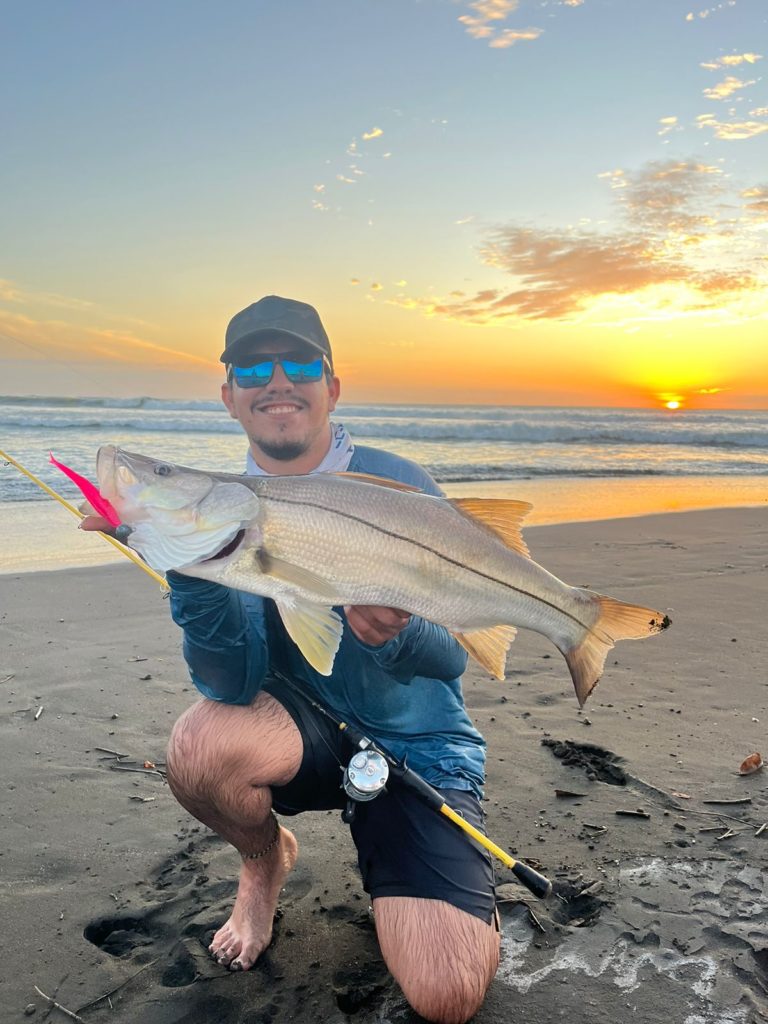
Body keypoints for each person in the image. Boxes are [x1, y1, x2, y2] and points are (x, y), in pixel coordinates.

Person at [85, 296, 500, 1024]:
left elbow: (455, 661)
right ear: (230, 398)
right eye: (253, 367)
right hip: (301, 735)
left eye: (301, 363)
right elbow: (227, 681)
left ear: (332, 386)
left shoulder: (397, 483)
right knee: (202, 744)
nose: (278, 380)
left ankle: (423, 877)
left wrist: (393, 633)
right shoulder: (227, 508)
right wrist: (182, 561)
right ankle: (263, 861)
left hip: (417, 749)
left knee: (447, 994)